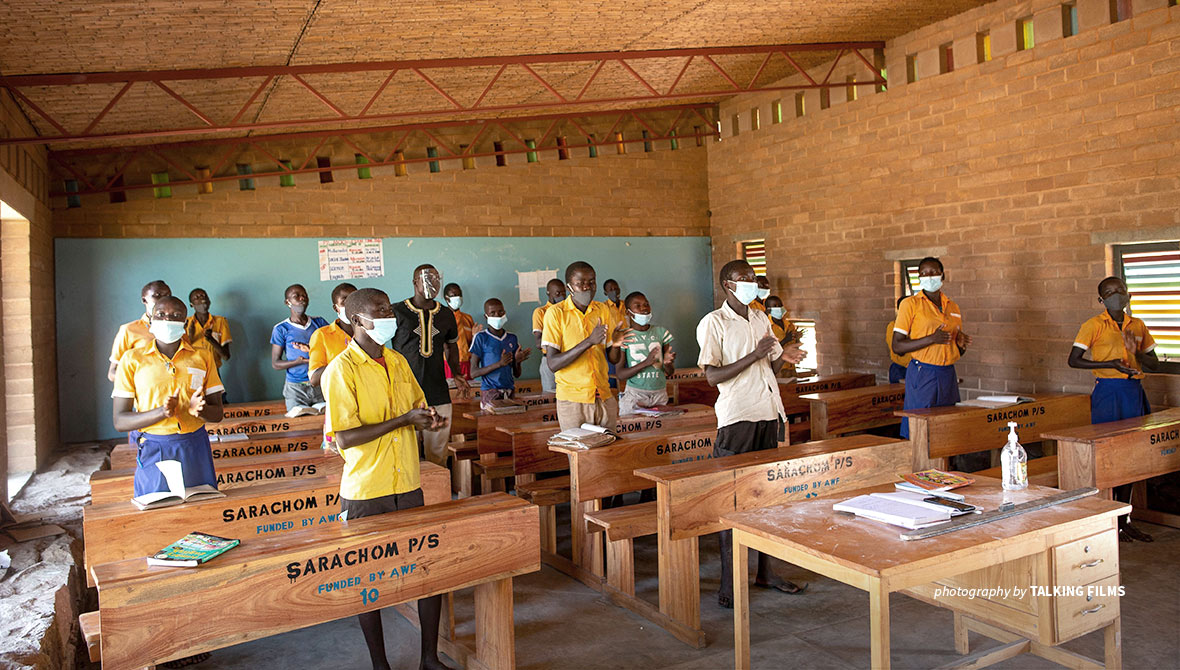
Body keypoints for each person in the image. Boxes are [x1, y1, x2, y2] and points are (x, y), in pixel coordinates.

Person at [321, 288, 450, 670]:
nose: (389, 315)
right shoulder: (341, 369)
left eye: (388, 308)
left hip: (406, 480)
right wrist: (405, 421)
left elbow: (415, 408)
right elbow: (343, 436)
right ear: (358, 320)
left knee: (427, 571)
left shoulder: (396, 360)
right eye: (380, 311)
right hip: (367, 488)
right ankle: (381, 665)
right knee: (368, 581)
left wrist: (428, 418)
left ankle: (429, 657)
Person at [698, 260, 807, 608]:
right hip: (737, 417)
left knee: (766, 498)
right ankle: (729, 580)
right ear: (728, 285)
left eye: (753, 277)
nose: (751, 283)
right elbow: (713, 376)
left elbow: (770, 364)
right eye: (743, 279)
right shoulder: (714, 322)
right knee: (732, 501)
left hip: (768, 411)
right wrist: (754, 354)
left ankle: (766, 571)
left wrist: (784, 355)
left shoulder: (761, 317)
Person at [1068, 276, 1180, 542]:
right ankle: (1109, 518)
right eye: (1109, 292)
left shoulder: (1138, 325)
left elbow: (1153, 364)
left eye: (1120, 290)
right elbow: (1073, 360)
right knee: (1109, 454)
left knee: (1131, 455)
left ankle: (1124, 518)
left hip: (1133, 392)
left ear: (1128, 294)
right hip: (1108, 392)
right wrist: (1111, 365)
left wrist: (1136, 353)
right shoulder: (1093, 325)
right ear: (1101, 300)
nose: (1116, 295)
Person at [112, 296, 224, 498]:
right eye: (161, 314)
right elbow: (120, 421)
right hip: (155, 446)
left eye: (176, 315)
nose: (167, 319)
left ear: (184, 321)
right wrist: (161, 413)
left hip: (195, 444)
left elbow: (217, 414)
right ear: (151, 319)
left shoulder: (203, 357)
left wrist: (200, 410)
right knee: (158, 510)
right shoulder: (132, 359)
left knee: (202, 507)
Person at [891, 259, 973, 462]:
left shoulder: (952, 306)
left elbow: (952, 348)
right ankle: (919, 471)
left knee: (947, 426)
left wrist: (960, 345)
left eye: (933, 272)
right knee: (921, 427)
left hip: (947, 372)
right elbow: (897, 346)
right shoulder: (910, 304)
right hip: (923, 372)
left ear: (942, 275)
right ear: (919, 277)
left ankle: (945, 471)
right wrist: (930, 339)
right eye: (924, 273)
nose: (929, 277)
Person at [392, 264, 470, 466]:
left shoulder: (446, 314)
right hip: (404, 392)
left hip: (437, 391)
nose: (431, 283)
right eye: (426, 278)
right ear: (414, 282)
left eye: (436, 278)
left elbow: (451, 347)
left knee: (437, 453)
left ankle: (438, 496)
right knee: (406, 453)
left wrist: (456, 373)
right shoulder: (397, 311)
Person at [541, 261, 627, 430]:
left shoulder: (602, 310)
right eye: (580, 283)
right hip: (573, 401)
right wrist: (589, 341)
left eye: (591, 282)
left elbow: (613, 359)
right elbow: (552, 364)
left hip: (603, 395)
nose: (587, 287)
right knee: (580, 454)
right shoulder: (556, 313)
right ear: (569, 287)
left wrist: (616, 345)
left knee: (609, 452)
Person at [270, 284, 329, 417]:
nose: (302, 298)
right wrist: (298, 361)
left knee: (324, 424)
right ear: (288, 302)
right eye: (296, 296)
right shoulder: (281, 329)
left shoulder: (319, 323)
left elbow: (330, 353)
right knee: (298, 424)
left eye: (304, 295)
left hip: (319, 383)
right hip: (295, 388)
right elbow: (275, 363)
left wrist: (309, 353)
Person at [616, 291, 675, 416]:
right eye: (638, 305)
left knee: (661, 434)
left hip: (659, 394)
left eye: (646, 304)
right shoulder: (624, 336)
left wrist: (668, 364)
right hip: (635, 395)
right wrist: (645, 363)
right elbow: (620, 374)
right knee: (633, 434)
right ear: (628, 312)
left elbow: (669, 372)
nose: (644, 308)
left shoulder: (661, 333)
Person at [469, 298, 531, 410]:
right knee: (492, 425)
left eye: (500, 312)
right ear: (486, 316)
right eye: (492, 313)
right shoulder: (481, 338)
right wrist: (499, 364)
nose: (497, 315)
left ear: (505, 313)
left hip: (509, 390)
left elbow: (517, 374)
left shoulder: (512, 338)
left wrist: (517, 362)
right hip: (490, 392)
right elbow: (473, 373)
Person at [108, 280, 172, 382]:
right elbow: (112, 372)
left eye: (168, 295)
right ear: (144, 300)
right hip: (143, 395)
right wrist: (141, 383)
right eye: (157, 295)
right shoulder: (129, 330)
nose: (164, 299)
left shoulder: (178, 329)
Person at [309, 282, 357, 387]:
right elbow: (314, 379)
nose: (350, 305)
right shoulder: (322, 335)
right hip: (338, 396)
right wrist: (345, 360)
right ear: (336, 308)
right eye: (345, 301)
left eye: (354, 300)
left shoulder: (369, 332)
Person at [185, 288, 232, 371]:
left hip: (213, 372)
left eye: (203, 296)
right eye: (197, 297)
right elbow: (180, 354)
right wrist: (190, 337)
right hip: (192, 372)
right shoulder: (185, 324)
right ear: (191, 304)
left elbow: (226, 356)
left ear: (209, 301)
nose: (202, 299)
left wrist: (211, 339)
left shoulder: (220, 322)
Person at [532, 279, 566, 393]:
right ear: (548, 293)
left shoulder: (568, 311)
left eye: (563, 293)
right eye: (557, 293)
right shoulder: (541, 312)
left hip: (568, 358)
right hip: (550, 359)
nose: (561, 296)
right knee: (551, 396)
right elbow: (538, 343)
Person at [442, 283, 475, 388]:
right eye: (454, 295)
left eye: (459, 294)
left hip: (466, 363)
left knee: (468, 393)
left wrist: (475, 336)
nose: (458, 297)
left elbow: (472, 345)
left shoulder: (467, 318)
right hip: (448, 364)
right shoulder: (441, 318)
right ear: (446, 298)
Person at [603, 278, 625, 392]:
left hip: (628, 345)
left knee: (627, 376)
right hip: (612, 348)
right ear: (605, 293)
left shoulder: (626, 305)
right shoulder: (603, 308)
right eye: (610, 289)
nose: (614, 291)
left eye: (616, 288)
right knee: (613, 378)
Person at [886, 296, 912, 384]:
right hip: (901, 369)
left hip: (916, 368)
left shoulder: (916, 326)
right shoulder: (893, 326)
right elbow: (899, 350)